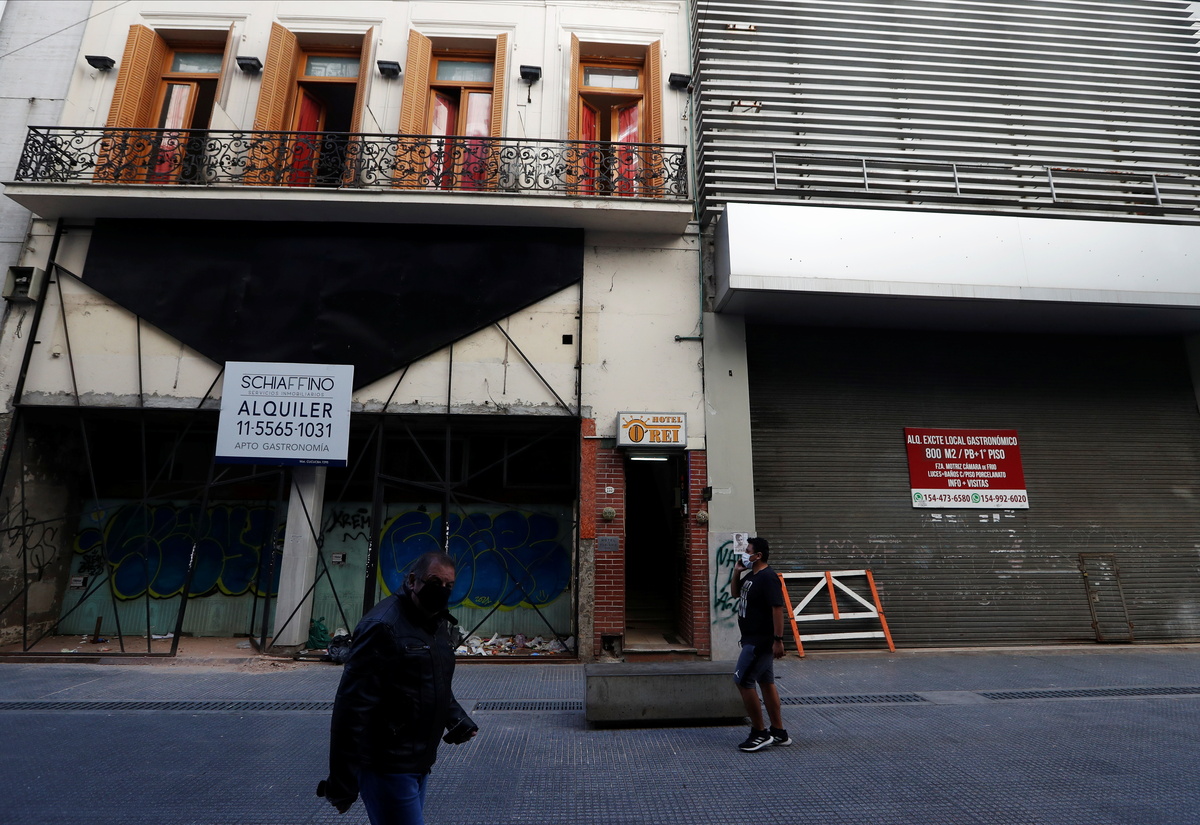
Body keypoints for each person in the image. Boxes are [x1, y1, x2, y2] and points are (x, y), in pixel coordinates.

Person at [319, 550, 478, 824]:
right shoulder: (383, 626)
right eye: (434, 582)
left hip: (419, 760)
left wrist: (456, 717)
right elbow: (351, 709)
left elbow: (430, 678)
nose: (441, 590)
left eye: (448, 585)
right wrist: (342, 784)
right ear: (413, 580)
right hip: (388, 764)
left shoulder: (434, 621)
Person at [730, 536, 791, 752]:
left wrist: (778, 640)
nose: (744, 554)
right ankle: (778, 732)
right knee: (766, 682)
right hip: (751, 638)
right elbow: (735, 593)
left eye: (748, 551)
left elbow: (777, 609)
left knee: (742, 681)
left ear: (758, 556)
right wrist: (737, 572)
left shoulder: (768, 577)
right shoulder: (751, 576)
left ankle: (759, 732)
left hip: (759, 641)